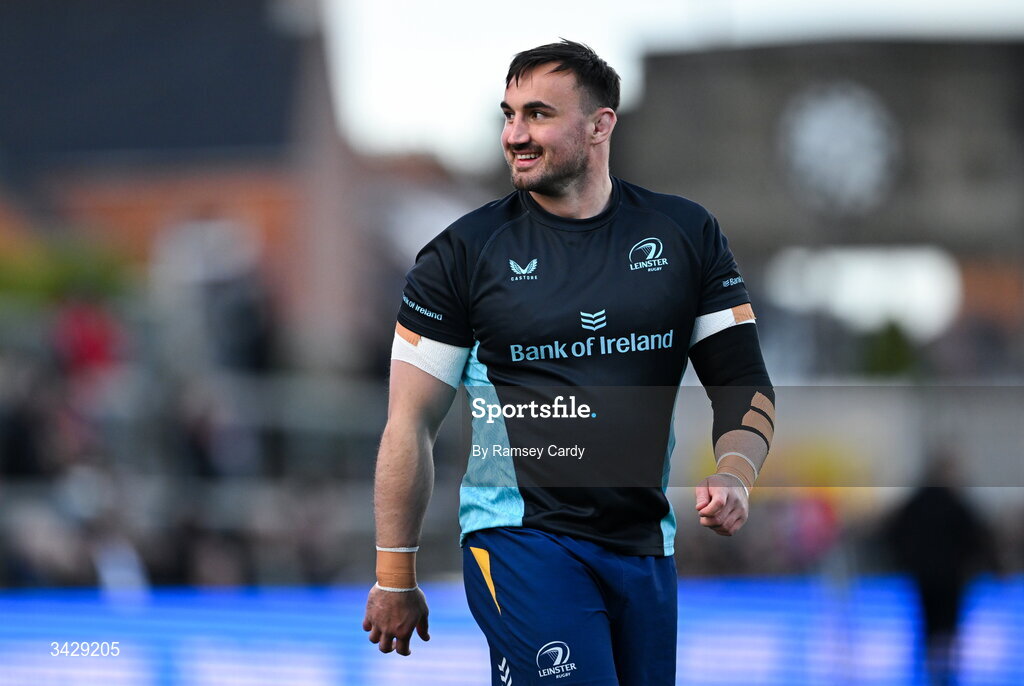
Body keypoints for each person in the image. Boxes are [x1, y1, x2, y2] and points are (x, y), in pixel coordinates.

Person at [363, 40, 775, 685]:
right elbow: (408, 424)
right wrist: (395, 573)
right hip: (522, 540)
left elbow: (743, 385)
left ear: (600, 124)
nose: (515, 135)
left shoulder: (685, 235)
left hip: (644, 548)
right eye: (508, 115)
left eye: (537, 114)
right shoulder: (460, 255)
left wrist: (735, 471)